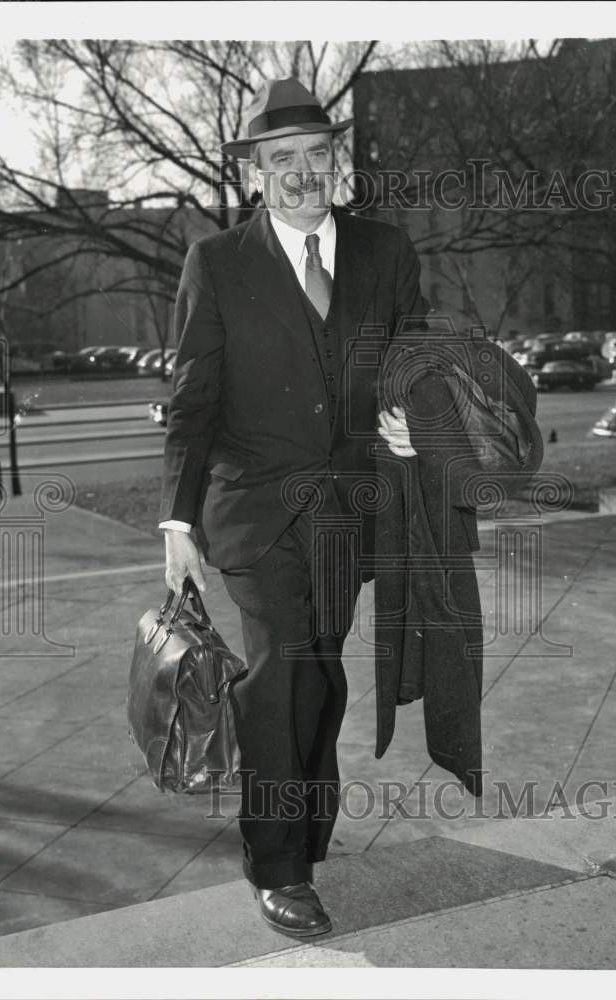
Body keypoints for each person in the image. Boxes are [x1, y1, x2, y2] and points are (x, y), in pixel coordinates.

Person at [158, 77, 424, 939]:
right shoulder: (218, 262)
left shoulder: (386, 252)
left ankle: (303, 833)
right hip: (253, 513)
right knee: (278, 668)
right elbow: (193, 399)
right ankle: (279, 865)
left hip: (350, 511)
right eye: (283, 160)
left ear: (334, 161)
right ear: (257, 173)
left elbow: (415, 358)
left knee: (321, 671)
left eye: (316, 154)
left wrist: (418, 419)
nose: (302, 173)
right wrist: (177, 522)